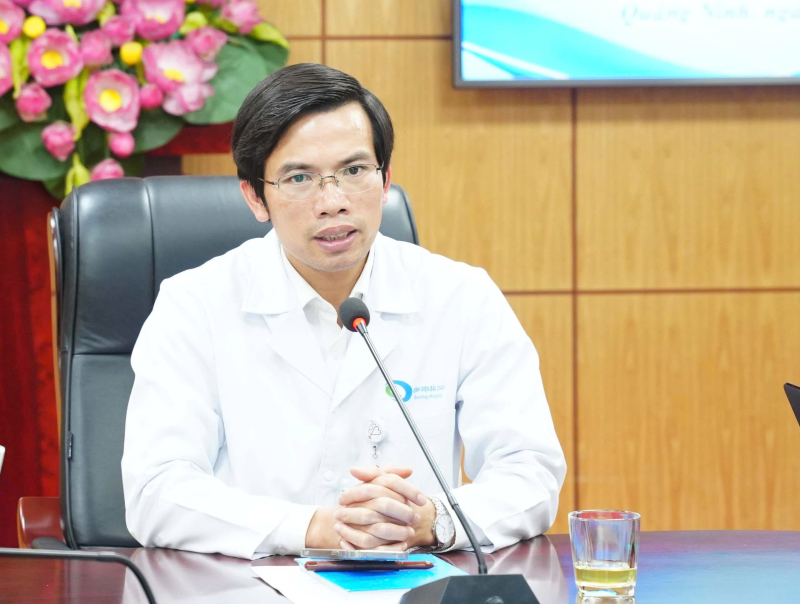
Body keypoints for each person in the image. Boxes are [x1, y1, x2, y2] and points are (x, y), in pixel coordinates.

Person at [121, 63, 566, 560]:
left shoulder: (461, 296)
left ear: (385, 179)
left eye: (354, 172)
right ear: (255, 197)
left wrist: (432, 522)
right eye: (299, 178)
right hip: (245, 584)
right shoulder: (194, 305)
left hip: (413, 581)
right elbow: (156, 490)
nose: (332, 202)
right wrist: (315, 527)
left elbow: (530, 471)